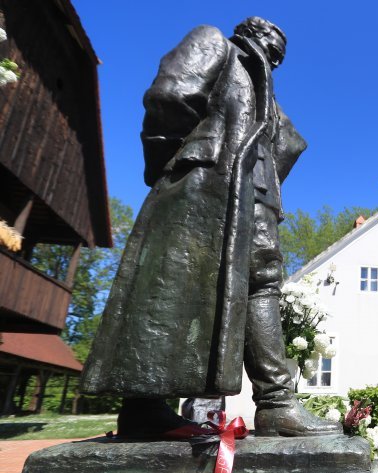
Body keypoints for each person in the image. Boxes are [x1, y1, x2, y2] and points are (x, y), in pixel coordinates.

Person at [80, 17, 339, 438]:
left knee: (263, 282)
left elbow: (282, 150)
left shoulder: (271, 100)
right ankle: (144, 405)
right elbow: (170, 96)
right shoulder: (215, 43)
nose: (277, 53)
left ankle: (276, 403)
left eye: (281, 52)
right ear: (251, 33)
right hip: (204, 185)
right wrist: (180, 165)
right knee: (168, 284)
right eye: (273, 42)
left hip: (254, 198)